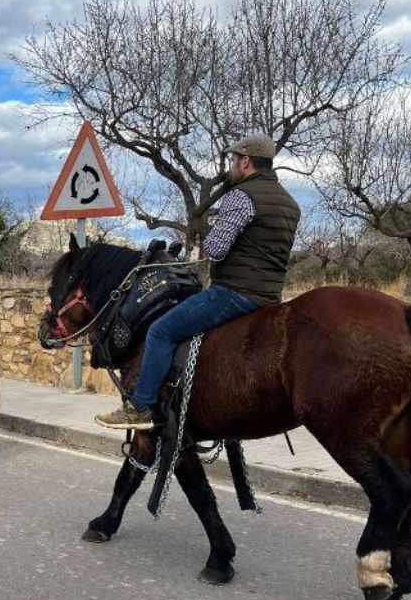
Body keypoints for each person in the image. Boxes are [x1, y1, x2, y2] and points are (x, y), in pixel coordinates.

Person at [95, 134, 301, 430]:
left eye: (233, 160)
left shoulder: (241, 196)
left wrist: (212, 232)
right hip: (268, 296)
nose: (231, 165)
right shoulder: (290, 204)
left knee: (161, 331)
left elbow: (215, 250)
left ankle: (140, 407)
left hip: (234, 293)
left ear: (245, 161)